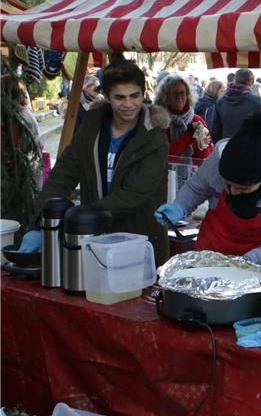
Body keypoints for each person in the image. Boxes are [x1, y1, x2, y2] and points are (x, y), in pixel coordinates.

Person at [18, 60, 171, 264]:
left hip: (139, 242)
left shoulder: (155, 139)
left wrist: (82, 216)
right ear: (107, 97)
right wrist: (40, 224)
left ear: (143, 95)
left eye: (134, 96)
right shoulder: (92, 126)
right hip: (93, 241)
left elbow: (135, 194)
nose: (128, 104)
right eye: (119, 97)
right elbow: (63, 174)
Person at [155, 113, 261, 286]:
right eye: (228, 185)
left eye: (243, 188)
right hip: (212, 250)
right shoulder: (219, 157)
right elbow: (196, 188)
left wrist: (254, 258)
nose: (233, 192)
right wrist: (179, 206)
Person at [154, 74, 213, 161]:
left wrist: (203, 144)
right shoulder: (158, 121)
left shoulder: (197, 120)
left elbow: (206, 160)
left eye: (182, 93)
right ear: (165, 96)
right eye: (174, 93)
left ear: (187, 95)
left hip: (193, 173)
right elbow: (162, 159)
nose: (179, 97)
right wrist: (188, 136)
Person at [212, 69, 261, 142]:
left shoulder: (220, 102)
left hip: (226, 148)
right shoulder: (256, 102)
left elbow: (216, 130)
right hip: (250, 149)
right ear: (251, 83)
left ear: (235, 80)